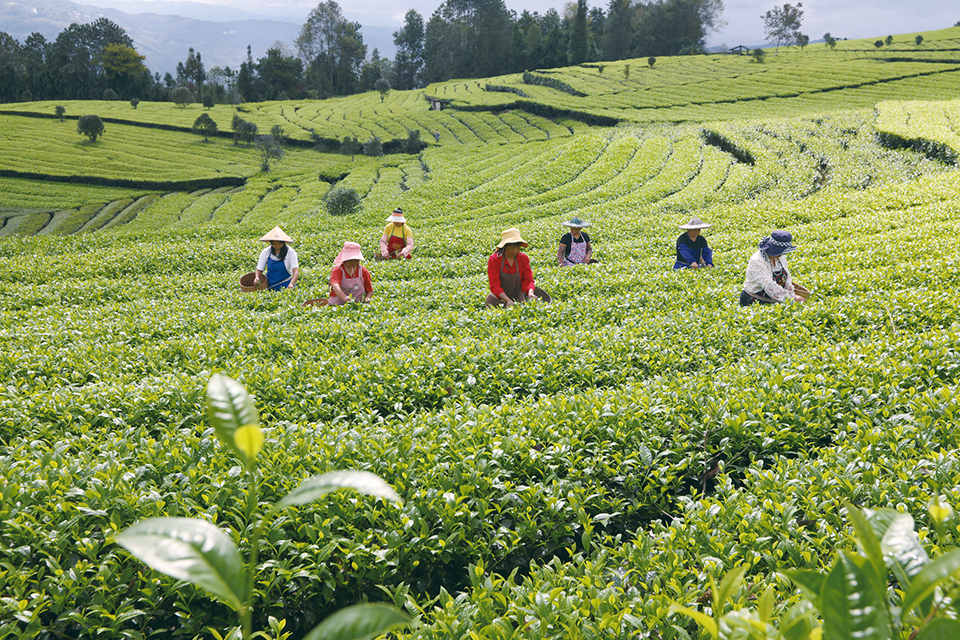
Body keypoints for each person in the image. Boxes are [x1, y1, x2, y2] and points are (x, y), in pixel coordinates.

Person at [739, 230, 810, 306]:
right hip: (754, 301)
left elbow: (787, 277)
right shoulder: (757, 261)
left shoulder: (781, 257)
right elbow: (769, 286)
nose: (782, 254)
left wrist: (791, 292)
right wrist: (792, 297)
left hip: (776, 299)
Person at [486, 228, 550, 307]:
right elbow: (494, 285)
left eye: (518, 247)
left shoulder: (523, 258)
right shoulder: (495, 259)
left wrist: (530, 293)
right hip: (498, 301)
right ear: (505, 246)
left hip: (518, 299)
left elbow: (528, 280)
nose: (515, 250)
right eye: (512, 247)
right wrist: (507, 300)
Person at [254, 226, 299, 290]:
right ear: (271, 243)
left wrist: (291, 284)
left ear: (283, 242)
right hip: (270, 285)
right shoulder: (266, 252)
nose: (277, 246)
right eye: (274, 244)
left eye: (279, 243)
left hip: (286, 285)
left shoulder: (291, 252)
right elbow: (259, 269)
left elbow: (295, 271)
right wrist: (257, 277)